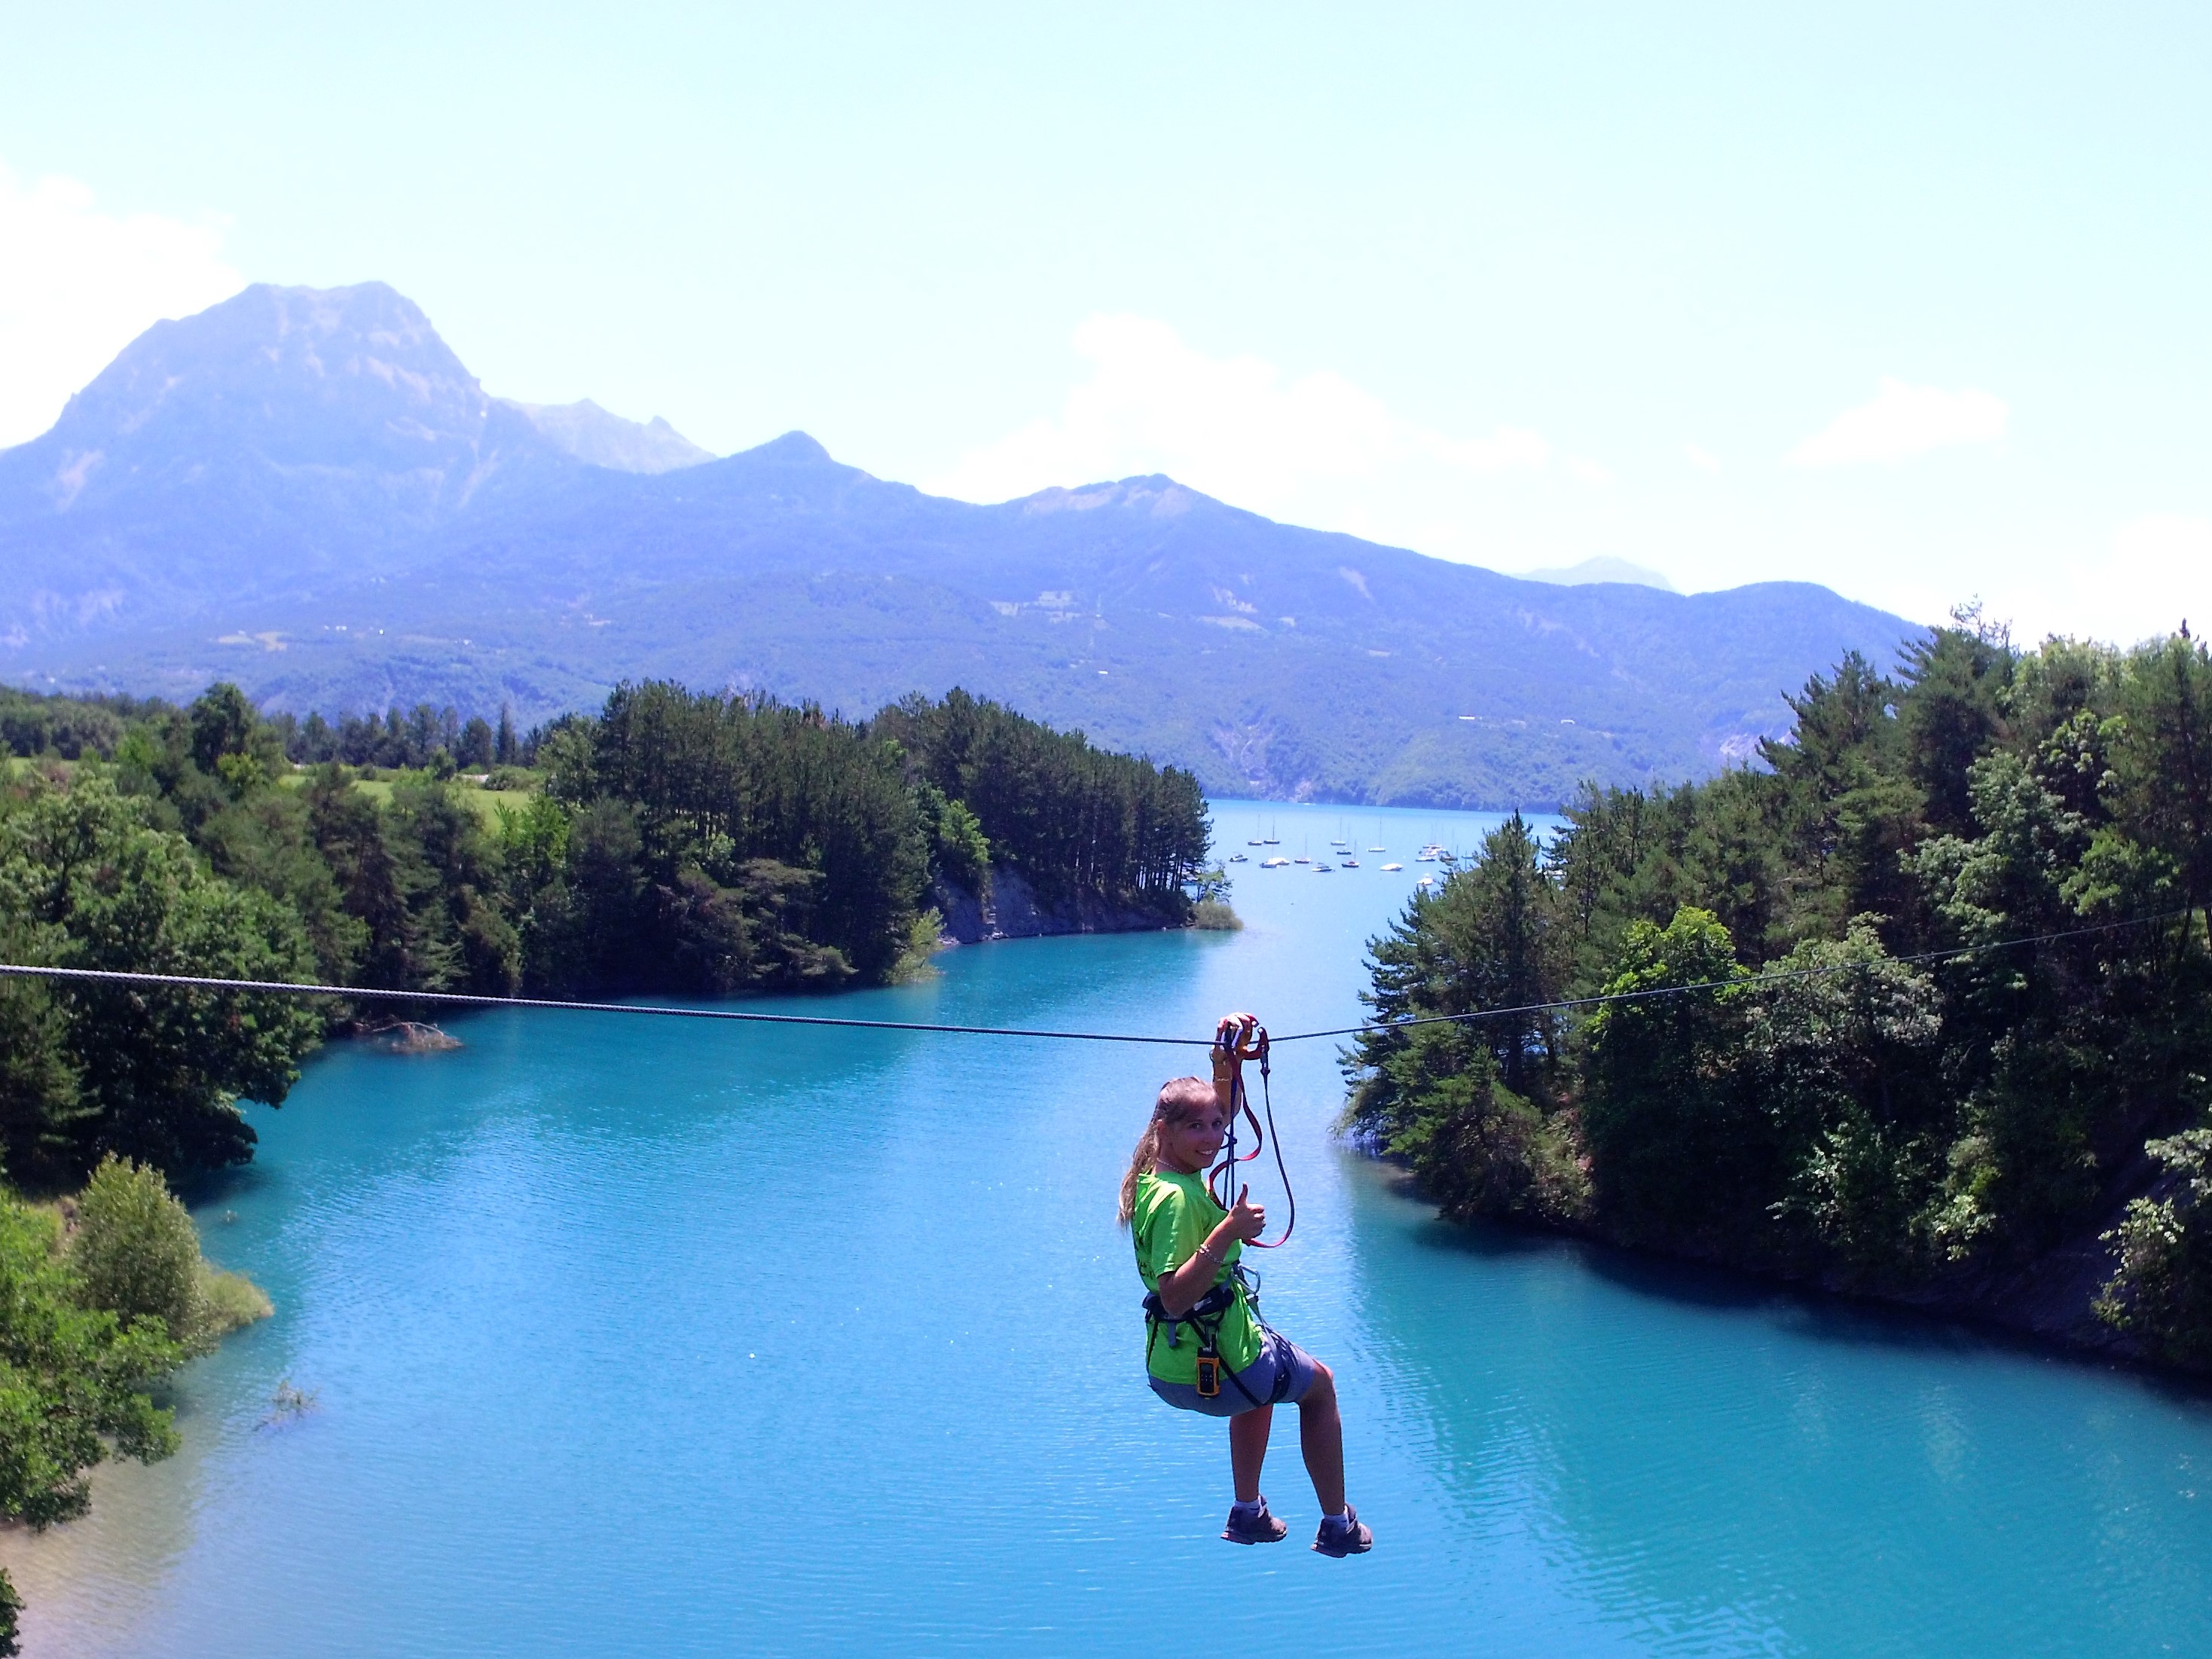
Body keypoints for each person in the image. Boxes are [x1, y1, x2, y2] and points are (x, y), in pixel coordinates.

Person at [1119, 1011, 1371, 1555]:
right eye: (1199, 1129)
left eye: (1217, 1126)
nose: (1214, 1138)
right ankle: (1337, 1524)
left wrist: (1224, 1054)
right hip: (1218, 1367)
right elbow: (1175, 1296)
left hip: (1176, 1368)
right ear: (1165, 1131)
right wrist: (1229, 1230)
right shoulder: (1179, 1200)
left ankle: (1248, 1511)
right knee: (1319, 1387)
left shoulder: (1155, 1176)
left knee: (1266, 1379)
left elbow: (1211, 1111)